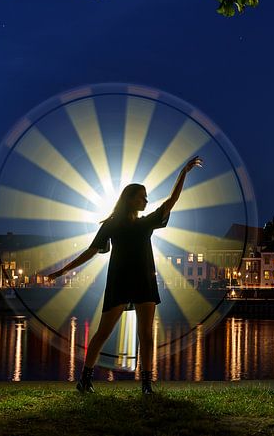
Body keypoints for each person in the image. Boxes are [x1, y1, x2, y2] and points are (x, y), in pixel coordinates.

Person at [47, 156, 203, 394]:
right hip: (119, 282)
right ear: (130, 199)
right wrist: (63, 270)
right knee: (103, 332)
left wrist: (184, 172)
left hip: (144, 281)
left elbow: (172, 200)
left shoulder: (147, 222)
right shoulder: (111, 224)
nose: (146, 200)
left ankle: (146, 384)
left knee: (147, 335)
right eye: (142, 196)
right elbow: (90, 252)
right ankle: (85, 379)